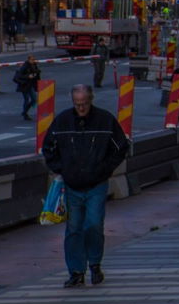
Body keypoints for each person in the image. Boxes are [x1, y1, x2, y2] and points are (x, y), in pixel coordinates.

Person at [40, 84, 129, 288]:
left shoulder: (105, 120)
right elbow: (48, 147)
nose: (81, 108)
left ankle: (95, 264)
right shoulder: (62, 121)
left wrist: (105, 169)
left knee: (94, 225)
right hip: (72, 184)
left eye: (84, 104)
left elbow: (121, 147)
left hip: (96, 182)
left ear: (91, 100)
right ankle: (76, 271)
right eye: (77, 104)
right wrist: (61, 169)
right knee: (74, 229)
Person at [14, 55, 41, 120]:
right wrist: (28, 76)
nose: (33, 61)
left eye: (34, 59)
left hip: (30, 85)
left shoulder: (34, 65)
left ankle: (25, 112)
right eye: (32, 59)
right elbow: (19, 76)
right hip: (24, 85)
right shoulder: (25, 66)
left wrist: (37, 73)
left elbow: (36, 75)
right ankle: (25, 114)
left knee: (34, 99)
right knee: (26, 99)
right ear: (28, 60)